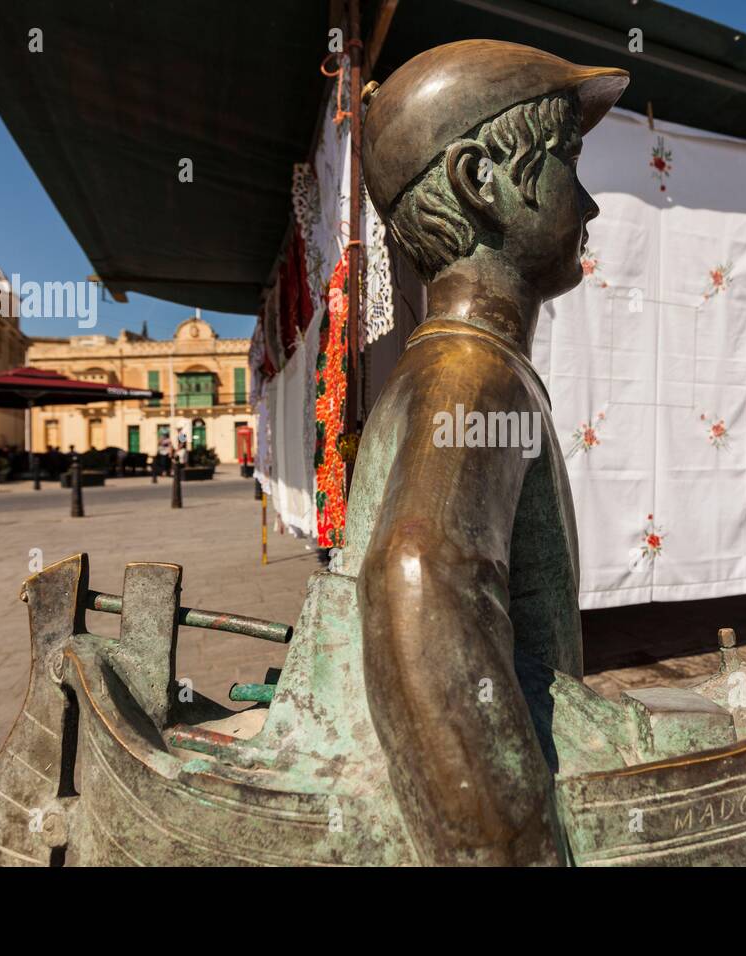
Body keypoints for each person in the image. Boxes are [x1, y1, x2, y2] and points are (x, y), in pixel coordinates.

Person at [273, 40, 628, 865]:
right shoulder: (471, 373)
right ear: (482, 183)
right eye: (566, 160)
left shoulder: (453, 364)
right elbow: (418, 576)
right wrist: (513, 850)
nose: (590, 203)